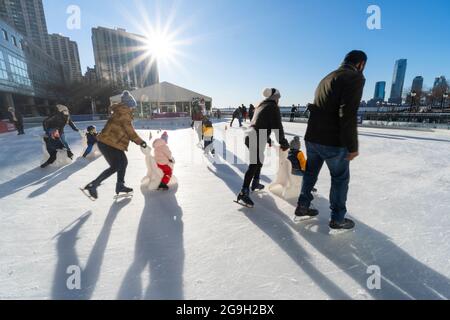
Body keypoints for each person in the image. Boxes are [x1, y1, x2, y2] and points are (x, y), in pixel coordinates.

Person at [295, 50, 367, 231]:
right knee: (340, 179)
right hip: (333, 141)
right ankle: (337, 218)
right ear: (361, 64)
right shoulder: (354, 77)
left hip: (313, 137)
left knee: (310, 173)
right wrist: (352, 145)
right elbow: (348, 113)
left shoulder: (327, 77)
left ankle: (303, 206)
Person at [82, 91, 147, 199]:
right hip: (109, 143)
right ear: (129, 105)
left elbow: (124, 130)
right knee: (116, 166)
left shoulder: (120, 111)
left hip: (111, 143)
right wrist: (141, 142)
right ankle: (93, 185)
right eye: (132, 106)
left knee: (122, 163)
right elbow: (130, 131)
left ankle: (119, 185)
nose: (133, 109)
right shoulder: (124, 113)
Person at [236, 88, 289, 207]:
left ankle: (255, 182)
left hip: (251, 135)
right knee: (255, 163)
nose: (279, 100)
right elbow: (277, 126)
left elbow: (260, 123)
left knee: (259, 159)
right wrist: (283, 142)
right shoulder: (272, 106)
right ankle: (244, 191)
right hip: (256, 136)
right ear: (274, 97)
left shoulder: (261, 105)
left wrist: (268, 139)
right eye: (278, 97)